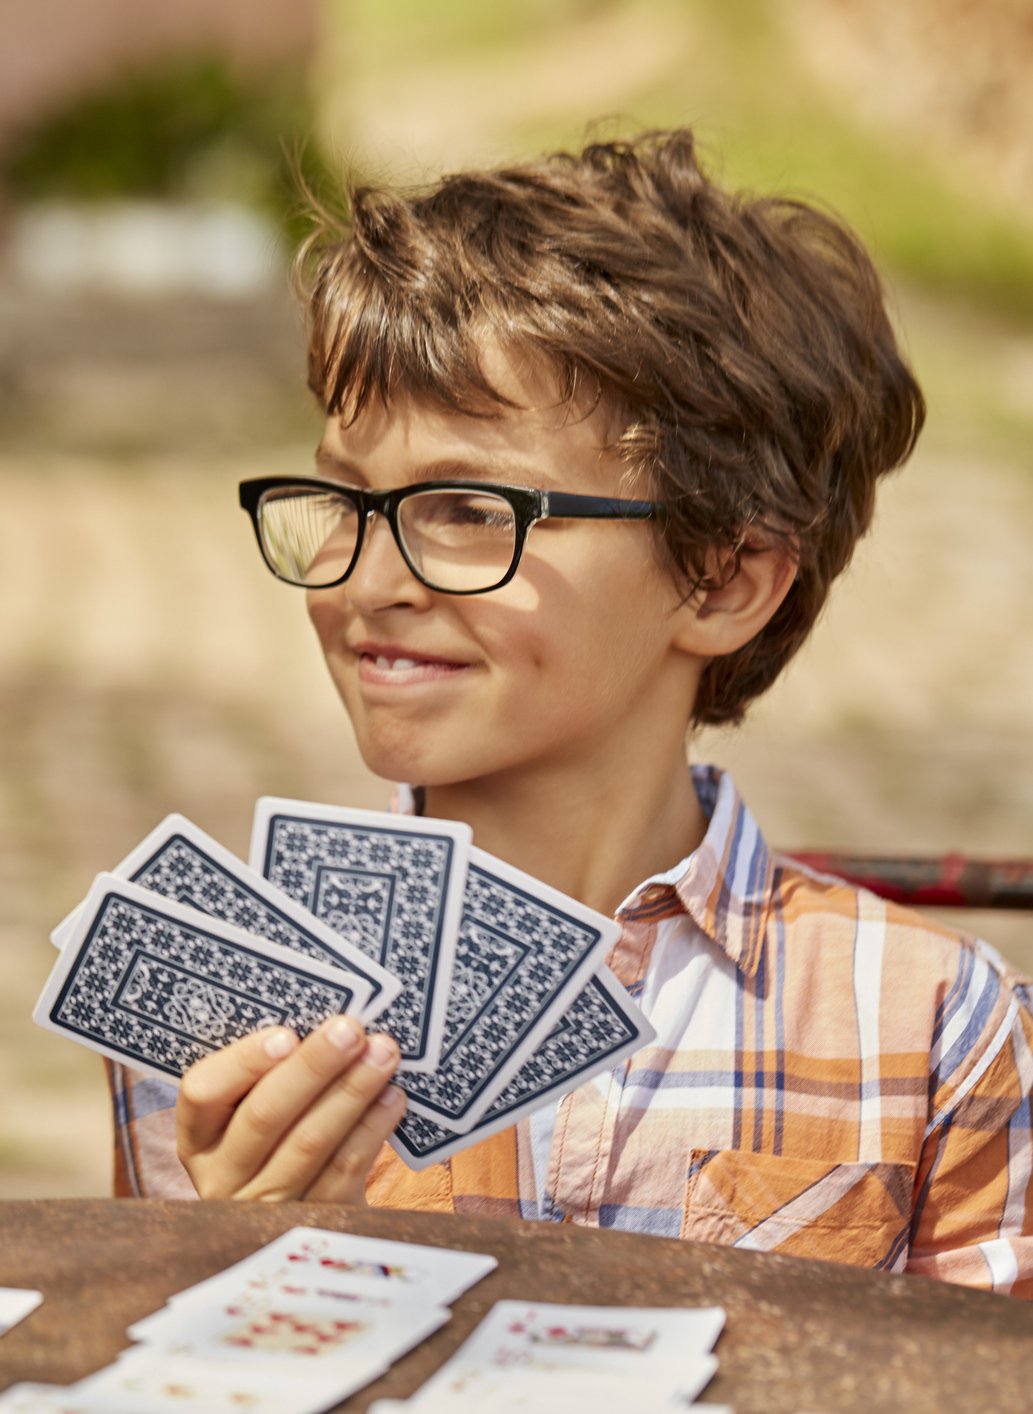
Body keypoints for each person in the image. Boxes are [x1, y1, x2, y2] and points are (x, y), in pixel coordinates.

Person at [112, 130, 1033, 1297]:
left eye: (466, 509)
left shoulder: (934, 1026)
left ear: (725, 577)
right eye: (343, 500)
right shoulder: (225, 1007)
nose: (365, 580)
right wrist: (232, 1268)